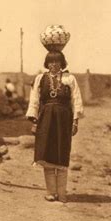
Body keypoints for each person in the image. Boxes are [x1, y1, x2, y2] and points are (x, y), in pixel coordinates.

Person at [26, 51, 84, 202]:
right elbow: (35, 100)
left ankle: (62, 193)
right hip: (46, 120)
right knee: (47, 153)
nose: (54, 64)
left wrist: (75, 121)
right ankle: (51, 192)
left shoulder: (70, 79)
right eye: (51, 62)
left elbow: (76, 100)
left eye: (57, 61)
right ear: (47, 63)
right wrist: (34, 121)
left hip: (64, 120)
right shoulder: (40, 79)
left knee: (61, 153)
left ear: (62, 63)